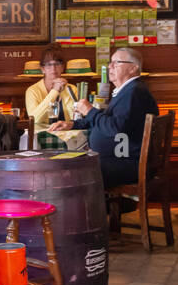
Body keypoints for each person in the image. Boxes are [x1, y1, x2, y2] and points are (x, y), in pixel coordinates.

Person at [52, 47, 158, 190]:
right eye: (110, 62)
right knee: (73, 163)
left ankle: (87, 211)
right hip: (121, 159)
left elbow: (114, 128)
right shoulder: (128, 90)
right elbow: (107, 119)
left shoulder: (134, 92)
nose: (110, 66)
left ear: (133, 68)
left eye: (117, 62)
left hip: (128, 163)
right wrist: (73, 124)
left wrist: (89, 110)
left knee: (71, 168)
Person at [25, 49, 80, 125]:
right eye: (48, 64)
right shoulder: (32, 91)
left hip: (68, 134)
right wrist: (55, 91)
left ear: (62, 67)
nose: (53, 68)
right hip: (42, 135)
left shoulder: (72, 89)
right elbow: (35, 119)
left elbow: (77, 118)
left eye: (57, 64)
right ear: (42, 69)